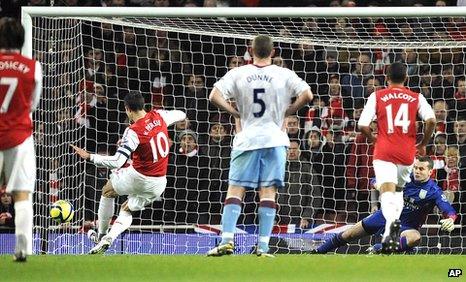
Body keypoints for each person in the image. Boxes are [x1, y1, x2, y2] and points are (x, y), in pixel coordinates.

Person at [207, 35, 313, 257]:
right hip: (275, 140)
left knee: (236, 190)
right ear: (273, 52)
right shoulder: (284, 74)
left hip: (247, 140)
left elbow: (214, 95)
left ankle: (227, 241)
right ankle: (263, 247)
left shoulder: (238, 73)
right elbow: (307, 95)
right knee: (268, 192)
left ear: (250, 50)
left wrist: (234, 112)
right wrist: (289, 111)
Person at [71, 92, 185, 254]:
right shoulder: (159, 116)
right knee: (127, 208)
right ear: (143, 105)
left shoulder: (133, 131)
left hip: (137, 177)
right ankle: (110, 238)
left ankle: (101, 234)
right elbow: (181, 114)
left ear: (128, 110)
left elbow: (118, 161)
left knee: (107, 191)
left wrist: (90, 156)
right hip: (159, 183)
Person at [358, 62, 436, 253]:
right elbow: (432, 120)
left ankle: (390, 229)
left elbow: (362, 125)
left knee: (386, 192)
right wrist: (424, 143)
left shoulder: (377, 96)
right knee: (399, 191)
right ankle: (392, 228)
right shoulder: (416, 97)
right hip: (407, 153)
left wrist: (374, 140)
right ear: (406, 78)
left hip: (385, 151)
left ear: (386, 77)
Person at [311, 157, 457, 254]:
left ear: (430, 172)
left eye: (421, 169)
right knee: (348, 234)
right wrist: (379, 185)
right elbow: (374, 180)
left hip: (406, 226)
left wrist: (450, 219)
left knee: (415, 238)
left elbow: (448, 210)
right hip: (383, 216)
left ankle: (381, 248)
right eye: (416, 168)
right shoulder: (403, 176)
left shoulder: (434, 191)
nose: (417, 171)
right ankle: (316, 252)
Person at [0, 18, 42, 262]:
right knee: (22, 194)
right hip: (20, 136)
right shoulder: (33, 66)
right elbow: (32, 105)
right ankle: (23, 249)